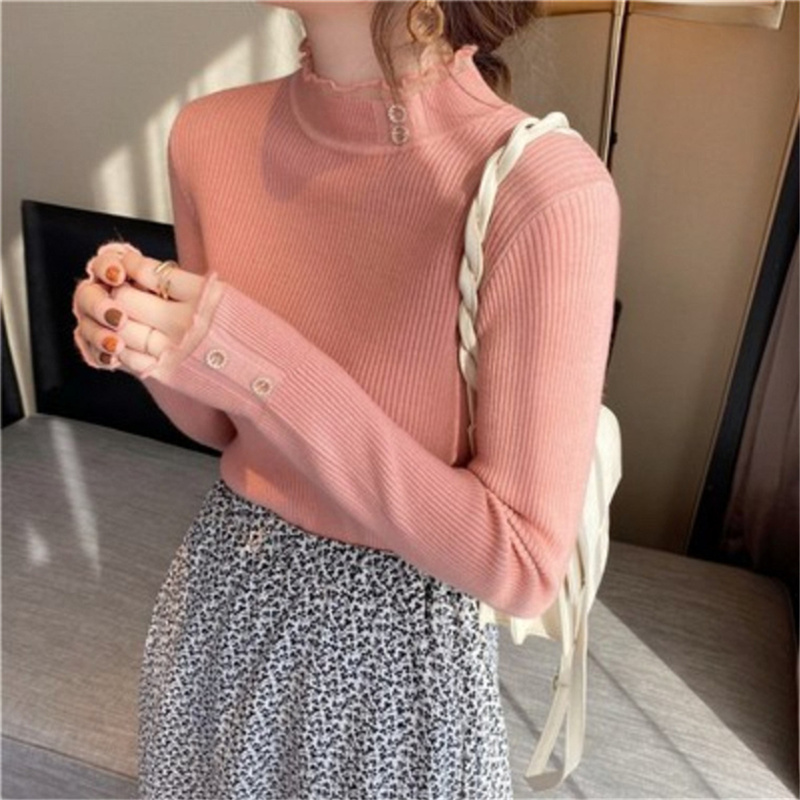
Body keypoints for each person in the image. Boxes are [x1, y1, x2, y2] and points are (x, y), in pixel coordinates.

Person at [70, 1, 621, 797]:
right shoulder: (207, 136)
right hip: (218, 612)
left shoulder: (545, 192)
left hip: (398, 677)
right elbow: (228, 429)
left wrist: (251, 357)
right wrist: (146, 342)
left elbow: (523, 563)